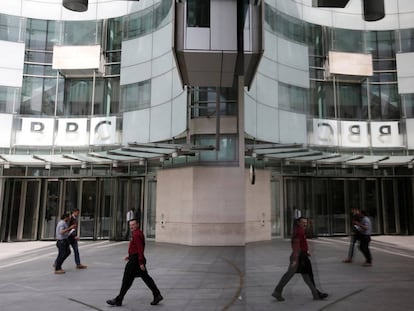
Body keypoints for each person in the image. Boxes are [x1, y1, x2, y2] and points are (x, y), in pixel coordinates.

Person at [106, 219, 163, 307]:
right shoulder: (138, 233)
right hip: (135, 259)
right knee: (145, 278)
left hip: (135, 261)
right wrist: (130, 256)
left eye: (133, 224)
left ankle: (119, 299)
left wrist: (140, 262)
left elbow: (140, 249)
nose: (131, 226)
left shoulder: (136, 234)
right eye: (130, 225)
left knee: (126, 280)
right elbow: (137, 248)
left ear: (137, 225)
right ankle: (157, 295)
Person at [272, 217, 328, 301]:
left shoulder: (300, 230)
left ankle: (316, 294)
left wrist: (306, 251)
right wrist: (295, 259)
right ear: (298, 223)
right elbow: (296, 246)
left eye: (306, 222)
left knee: (307, 276)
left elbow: (307, 238)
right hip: (299, 257)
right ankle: (277, 291)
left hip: (302, 256)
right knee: (295, 275)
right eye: (303, 222)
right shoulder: (299, 231)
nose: (305, 224)